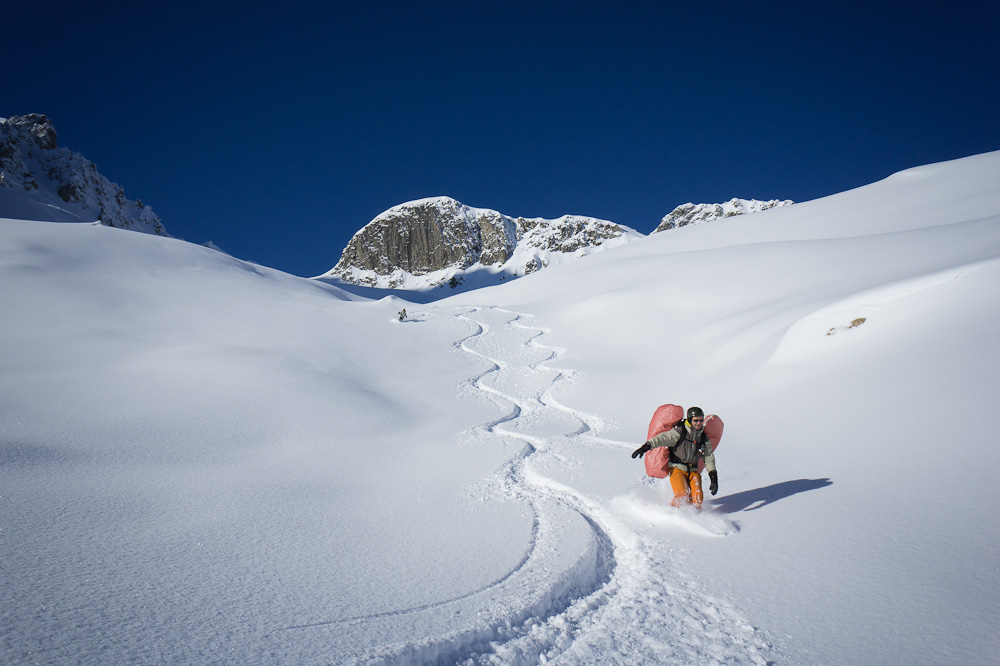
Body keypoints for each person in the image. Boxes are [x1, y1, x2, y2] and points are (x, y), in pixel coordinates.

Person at [631, 406, 718, 508]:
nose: (698, 423)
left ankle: (694, 517)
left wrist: (713, 476)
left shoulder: (703, 438)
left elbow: (708, 457)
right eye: (696, 420)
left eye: (701, 420)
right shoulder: (680, 432)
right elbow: (662, 439)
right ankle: (673, 515)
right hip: (677, 468)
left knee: (698, 498)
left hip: (693, 470)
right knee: (682, 495)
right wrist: (645, 447)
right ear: (690, 420)